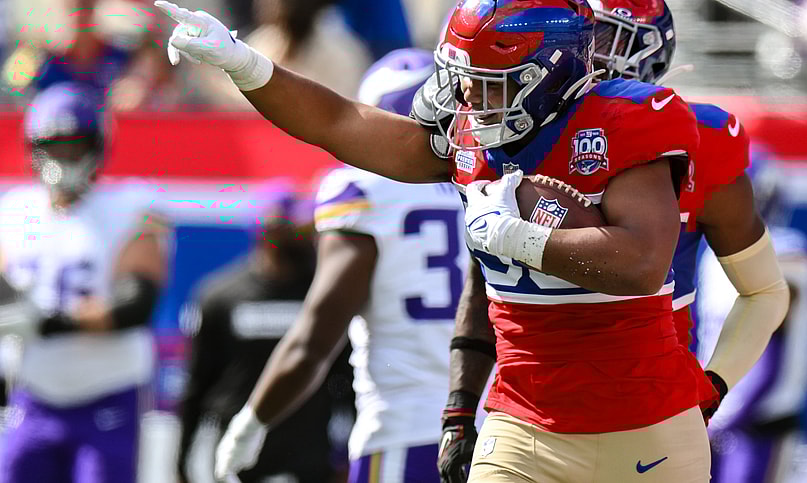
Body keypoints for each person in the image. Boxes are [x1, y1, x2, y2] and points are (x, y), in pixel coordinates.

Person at [155, 0, 712, 480]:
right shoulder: (477, 144)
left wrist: (518, 236)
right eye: (465, 82)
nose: (468, 101)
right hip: (521, 416)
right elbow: (339, 122)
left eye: (487, 86)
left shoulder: (626, 122)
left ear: (548, 76)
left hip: (639, 416)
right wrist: (242, 61)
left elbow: (641, 261)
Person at [212, 48, 468, 482]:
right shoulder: (488, 183)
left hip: (405, 432)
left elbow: (314, 340)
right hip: (489, 432)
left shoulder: (365, 190)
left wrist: (250, 423)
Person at [590, 0, 791, 424]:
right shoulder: (527, 130)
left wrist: (712, 387)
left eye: (601, 36)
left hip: (649, 407)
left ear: (648, 49)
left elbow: (766, 292)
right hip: (530, 405)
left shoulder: (701, 140)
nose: (583, 49)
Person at [0, 81, 171, 483]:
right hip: (32, 396)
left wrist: (49, 322)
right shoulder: (14, 209)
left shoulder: (136, 205)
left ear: (97, 146)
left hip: (106, 397)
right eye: (55, 146)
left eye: (75, 146)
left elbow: (135, 304)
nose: (65, 158)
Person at [175, 188, 353, 483]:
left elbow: (347, 378)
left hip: (310, 451)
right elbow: (198, 382)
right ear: (266, 233)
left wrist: (348, 455)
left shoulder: (326, 294)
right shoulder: (220, 295)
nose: (307, 238)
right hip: (237, 448)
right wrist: (181, 459)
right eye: (294, 229)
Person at [696, 150, 807, 483]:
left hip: (760, 424)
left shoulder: (786, 250)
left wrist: (720, 418)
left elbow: (768, 349)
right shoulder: (712, 252)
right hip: (719, 413)